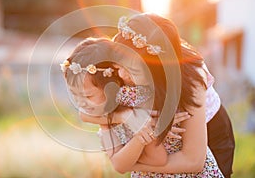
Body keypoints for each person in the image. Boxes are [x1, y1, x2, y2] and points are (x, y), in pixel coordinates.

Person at [60, 35, 224, 177]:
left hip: (196, 157)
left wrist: (141, 138)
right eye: (75, 96)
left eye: (87, 96)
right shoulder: (104, 110)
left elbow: (156, 159)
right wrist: (126, 120)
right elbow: (118, 162)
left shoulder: (138, 97)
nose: (82, 104)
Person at [113, 13, 235, 177]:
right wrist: (128, 116)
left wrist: (133, 164)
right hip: (162, 141)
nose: (121, 75)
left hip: (208, 131)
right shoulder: (123, 58)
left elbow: (194, 161)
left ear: (155, 68)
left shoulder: (191, 77)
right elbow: (88, 110)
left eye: (130, 69)